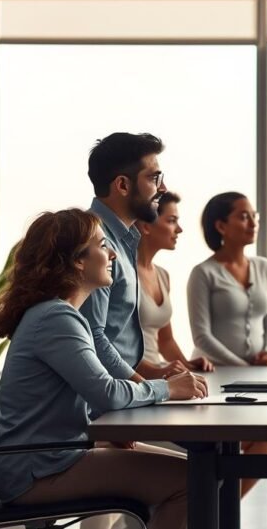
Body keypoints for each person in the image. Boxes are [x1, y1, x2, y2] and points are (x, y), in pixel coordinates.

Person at [0, 209, 208, 529]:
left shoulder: (58, 315)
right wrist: (168, 388)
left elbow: (82, 395)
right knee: (192, 482)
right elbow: (105, 392)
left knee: (198, 473)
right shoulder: (56, 319)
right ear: (78, 260)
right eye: (103, 245)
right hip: (39, 470)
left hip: (45, 458)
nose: (113, 254)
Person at [187, 191, 267, 496]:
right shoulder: (203, 274)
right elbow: (201, 336)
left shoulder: (264, 267)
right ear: (220, 226)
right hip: (217, 378)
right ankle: (211, 512)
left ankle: (216, 509)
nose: (252, 222)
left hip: (259, 377)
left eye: (253, 216)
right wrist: (243, 368)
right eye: (243, 216)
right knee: (230, 445)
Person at [81, 132, 188, 386]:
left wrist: (156, 377)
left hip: (122, 395)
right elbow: (93, 339)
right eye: (154, 178)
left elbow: (118, 341)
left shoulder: (124, 241)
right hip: (100, 409)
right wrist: (156, 388)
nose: (162, 188)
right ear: (123, 185)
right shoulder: (92, 241)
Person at [136, 191, 214, 373]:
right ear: (146, 226)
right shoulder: (124, 273)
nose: (179, 229)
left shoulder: (162, 275)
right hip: (135, 379)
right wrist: (160, 373)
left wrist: (187, 365)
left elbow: (165, 340)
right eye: (171, 221)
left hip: (158, 376)